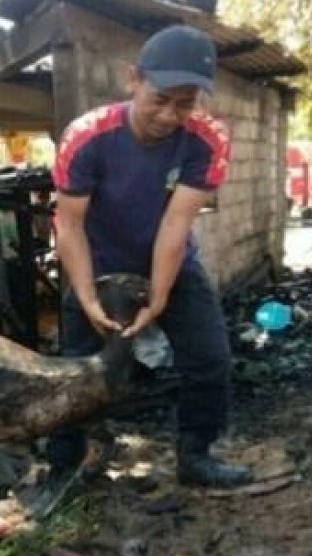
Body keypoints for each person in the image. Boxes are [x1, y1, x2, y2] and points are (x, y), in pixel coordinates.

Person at [50, 25, 252, 489]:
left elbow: (175, 225)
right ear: (133, 80)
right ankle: (65, 468)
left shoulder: (208, 138)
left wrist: (158, 297)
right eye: (160, 98)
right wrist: (85, 294)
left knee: (209, 359)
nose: (169, 115)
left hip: (171, 262)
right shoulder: (86, 136)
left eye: (185, 103)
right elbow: (71, 225)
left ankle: (195, 456)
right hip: (98, 263)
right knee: (75, 368)